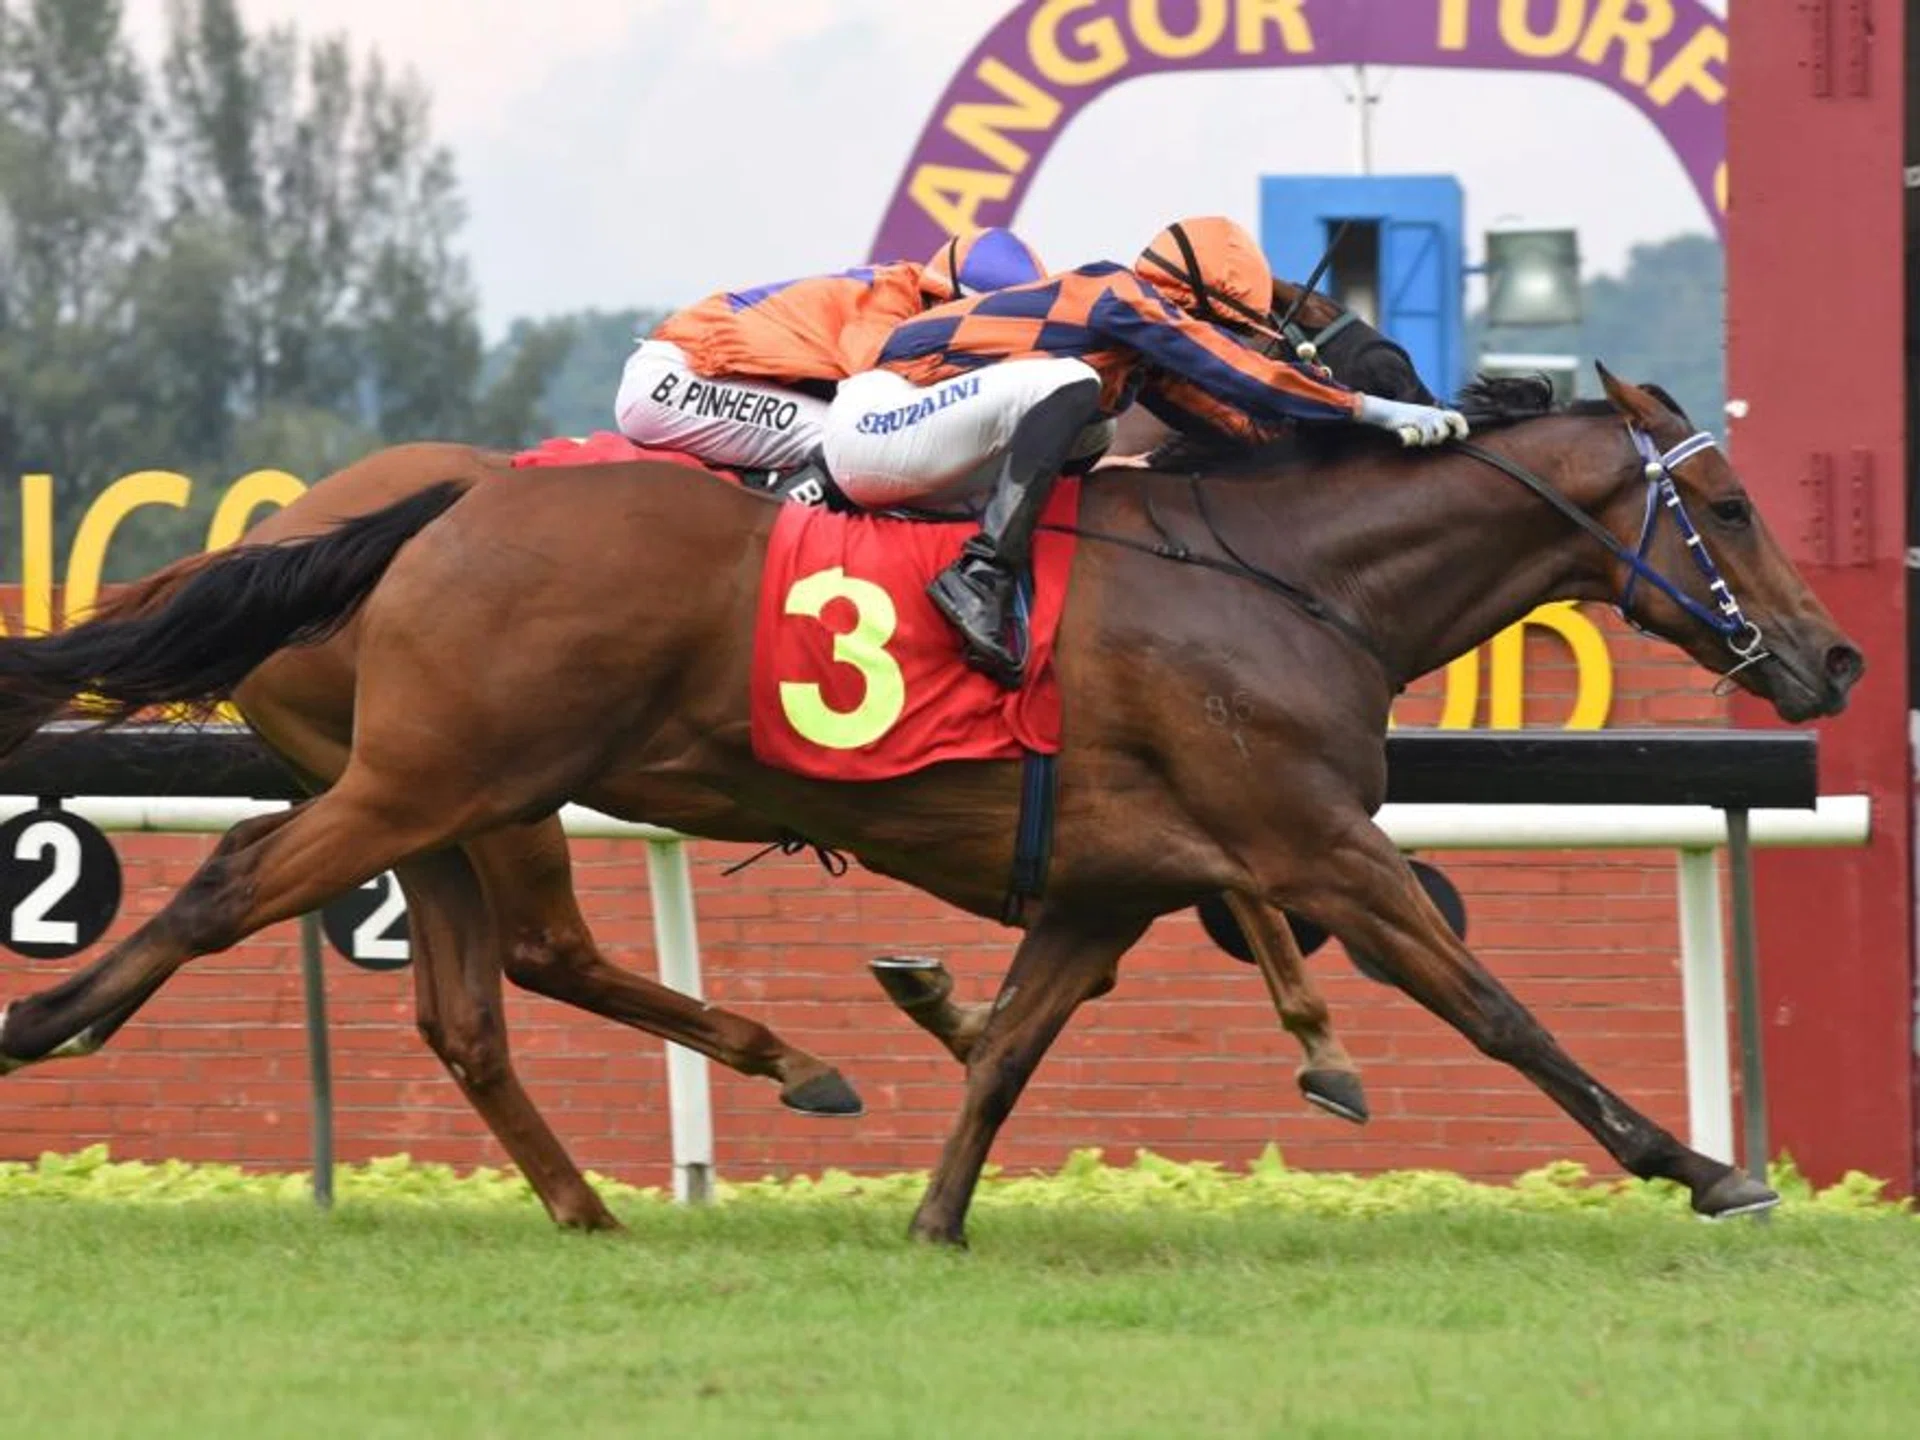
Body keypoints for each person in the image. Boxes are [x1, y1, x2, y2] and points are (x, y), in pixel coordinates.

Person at [819, 215, 1469, 686]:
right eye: (1226, 326)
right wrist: (1364, 406)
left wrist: (1341, 434)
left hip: (929, 436)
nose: (1231, 339)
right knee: (1071, 386)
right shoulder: (1114, 294)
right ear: (1189, 303)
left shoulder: (1134, 356)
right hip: (878, 421)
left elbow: (1244, 429)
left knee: (1094, 427)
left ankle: (1020, 566)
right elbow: (1237, 372)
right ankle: (980, 577)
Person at [611, 228, 1048, 485]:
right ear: (946, 299)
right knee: (858, 452)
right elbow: (887, 402)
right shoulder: (890, 304)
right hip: (678, 381)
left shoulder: (914, 298)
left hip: (711, 377)